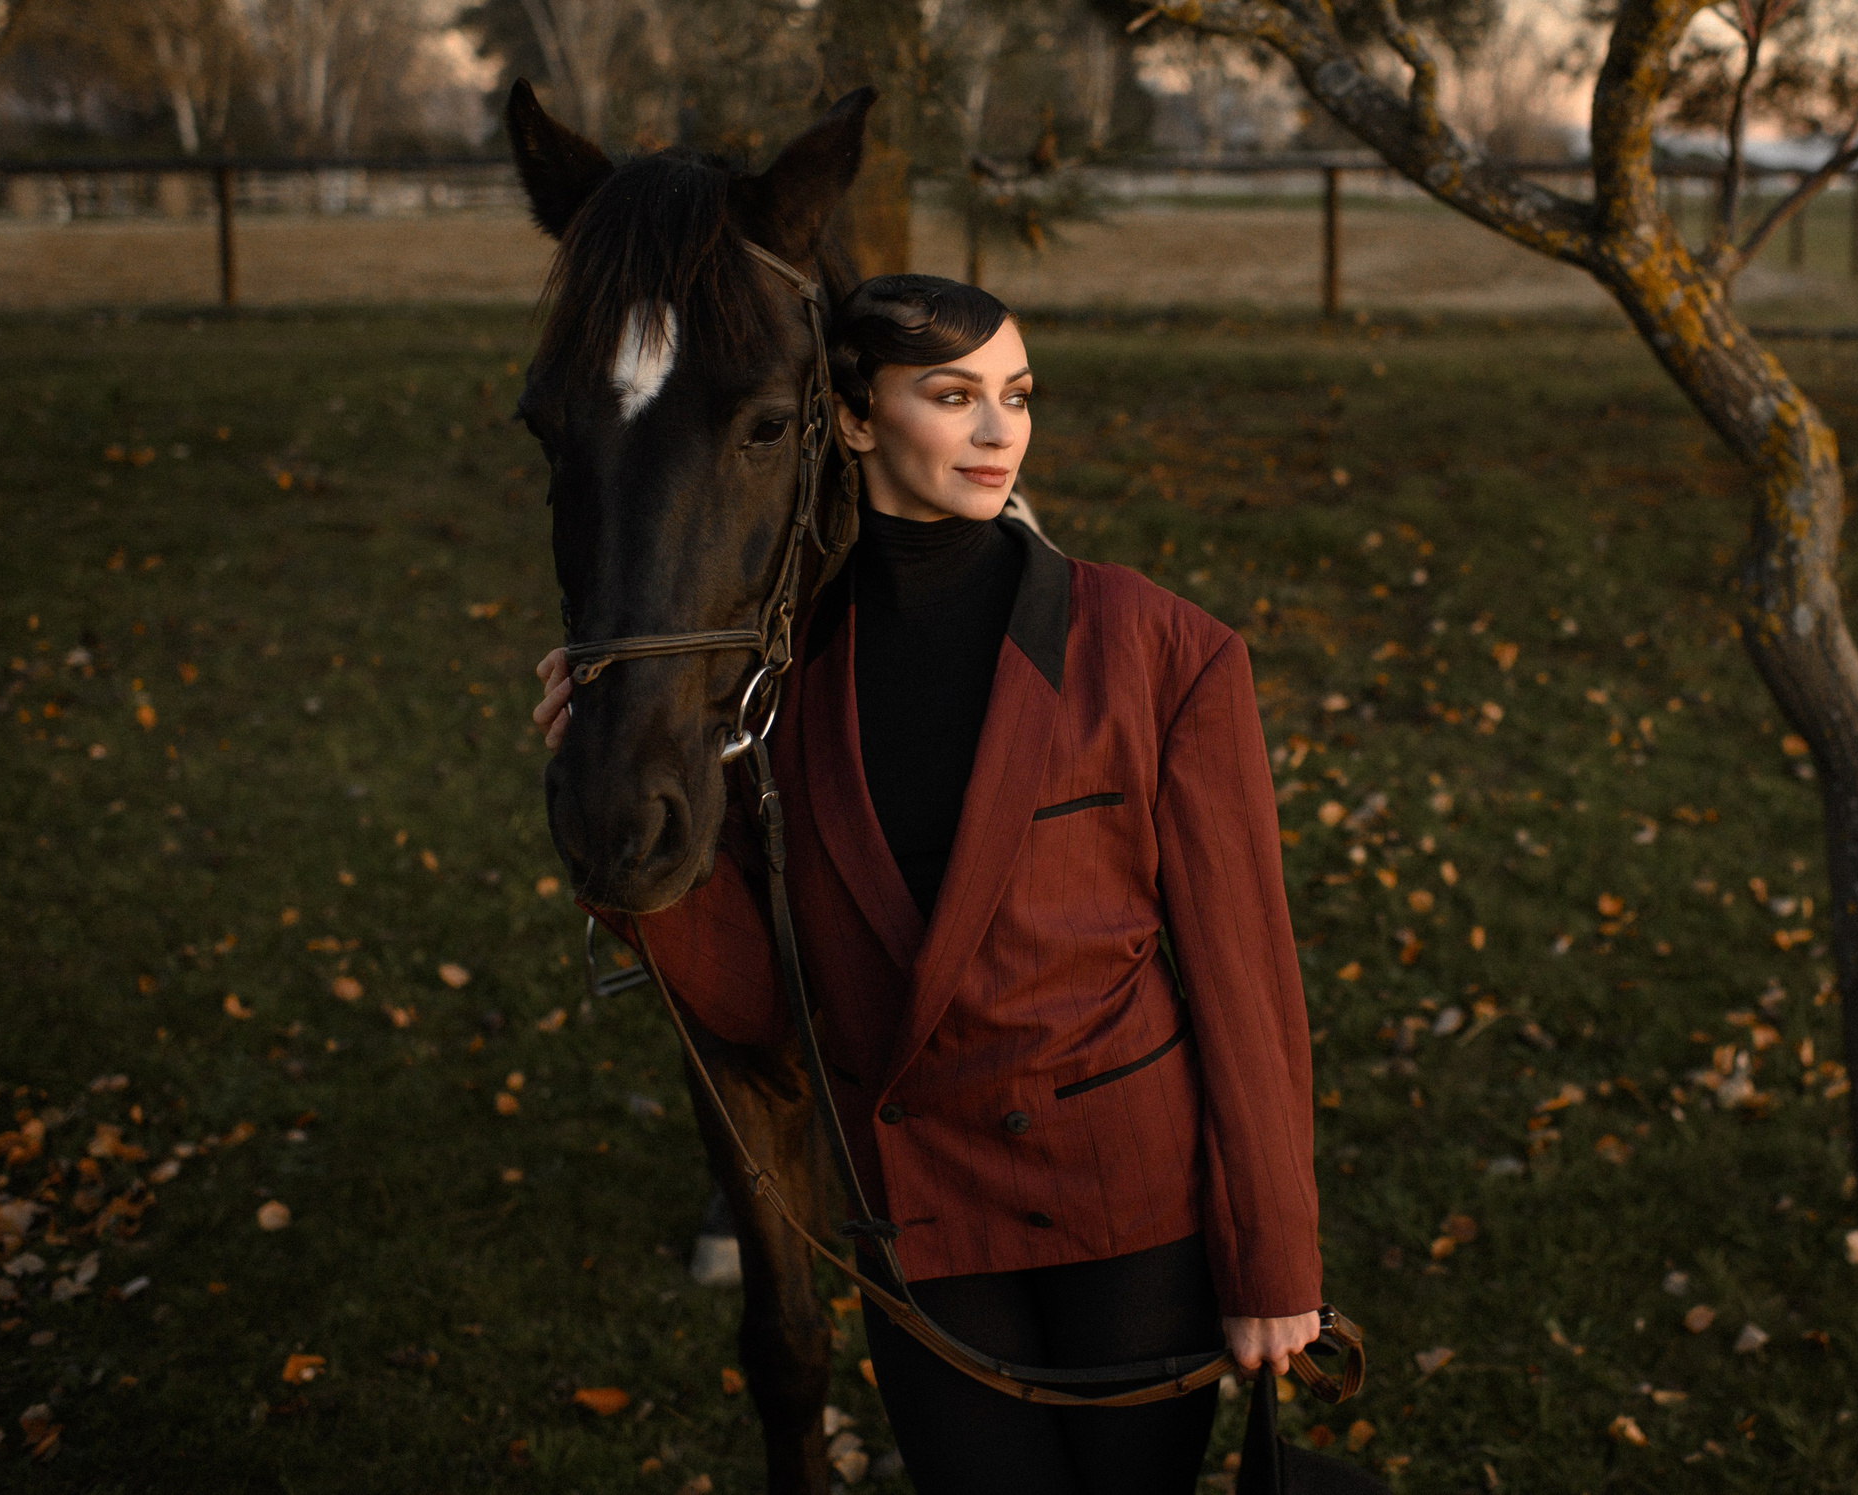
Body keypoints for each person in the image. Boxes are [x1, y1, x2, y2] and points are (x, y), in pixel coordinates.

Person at [531, 274, 1322, 1494]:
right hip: (918, 1214)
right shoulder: (780, 682)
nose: (1001, 430)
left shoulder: (1162, 647)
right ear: (853, 419)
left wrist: (1273, 1261)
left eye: (1018, 394)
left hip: (1128, 1206)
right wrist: (609, 808)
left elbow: (1246, 984)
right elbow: (756, 1003)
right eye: (953, 396)